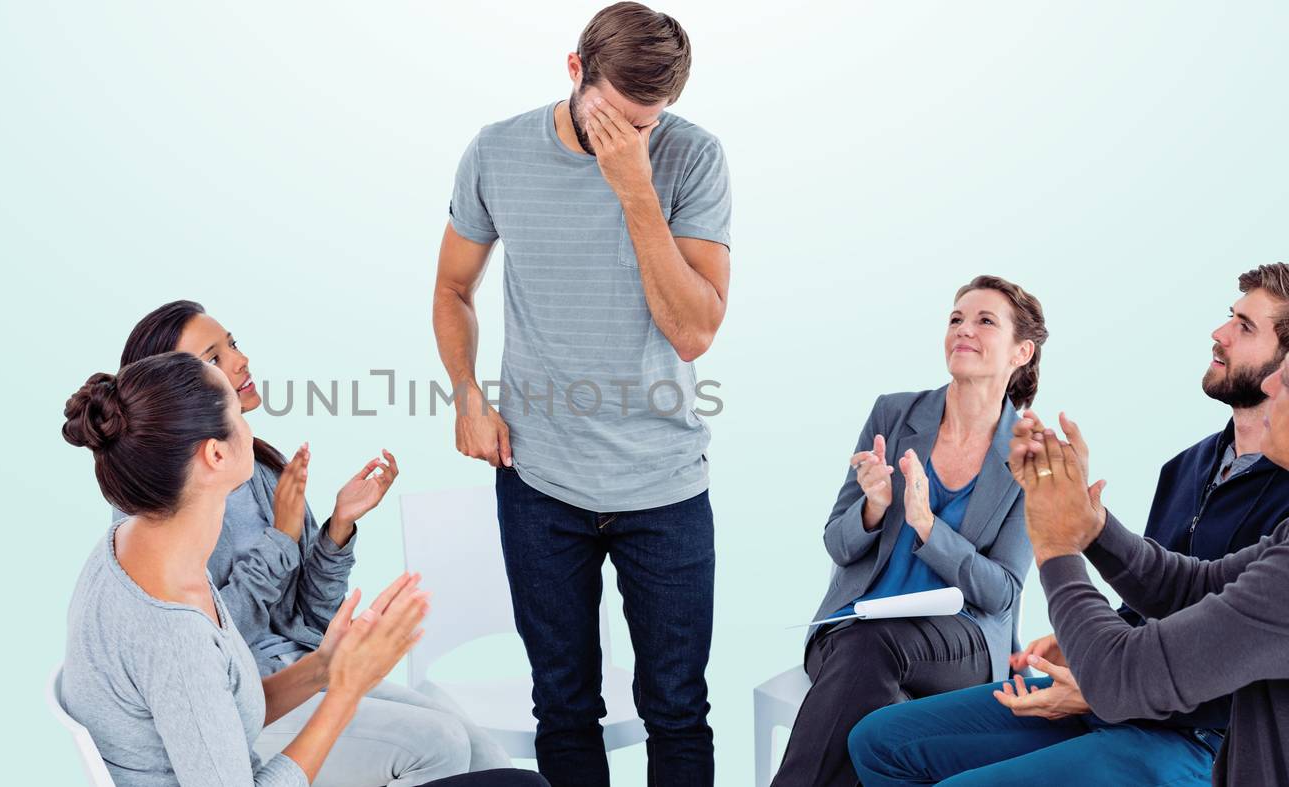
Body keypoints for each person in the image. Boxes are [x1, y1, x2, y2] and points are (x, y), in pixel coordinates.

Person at [431, 3, 730, 784]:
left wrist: (634, 188)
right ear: (574, 71)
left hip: (663, 484)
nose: (636, 137)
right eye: (619, 119)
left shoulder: (692, 159)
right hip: (539, 483)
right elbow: (452, 287)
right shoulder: (496, 152)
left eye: (650, 121)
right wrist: (467, 394)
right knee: (563, 707)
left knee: (677, 708)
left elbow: (695, 332)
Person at [848, 264, 1289, 786]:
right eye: (1229, 319)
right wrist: (1087, 520)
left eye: (1245, 327)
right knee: (878, 743)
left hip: (1193, 729)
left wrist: (1058, 549)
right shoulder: (1187, 467)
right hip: (1118, 686)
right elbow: (1182, 585)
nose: (1220, 335)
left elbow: (1200, 656)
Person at [58, 351, 548, 787]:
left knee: (493, 762)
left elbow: (223, 714)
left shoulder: (149, 546)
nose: (249, 426)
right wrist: (346, 693)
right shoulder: (172, 630)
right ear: (215, 453)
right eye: (236, 415)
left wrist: (323, 668)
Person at [771, 276, 1046, 787]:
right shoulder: (893, 414)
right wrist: (874, 508)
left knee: (872, 654)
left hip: (959, 645)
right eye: (956, 319)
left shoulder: (1034, 456)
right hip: (853, 629)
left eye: (985, 321)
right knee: (877, 696)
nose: (964, 329)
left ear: (1020, 352)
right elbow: (837, 542)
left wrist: (926, 526)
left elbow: (1001, 593)